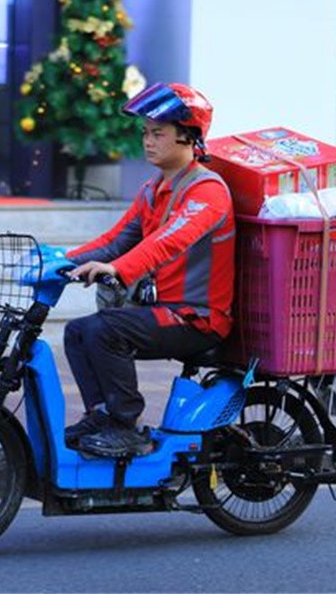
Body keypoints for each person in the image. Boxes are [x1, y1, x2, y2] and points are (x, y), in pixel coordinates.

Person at [62, 82, 235, 457]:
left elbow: (168, 241)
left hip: (197, 318)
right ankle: (102, 415)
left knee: (105, 331)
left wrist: (116, 269)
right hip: (161, 311)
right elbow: (115, 239)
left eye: (158, 133)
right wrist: (59, 262)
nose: (148, 141)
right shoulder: (153, 189)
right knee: (77, 332)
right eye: (145, 133)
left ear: (188, 137)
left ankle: (126, 427)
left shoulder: (208, 192)